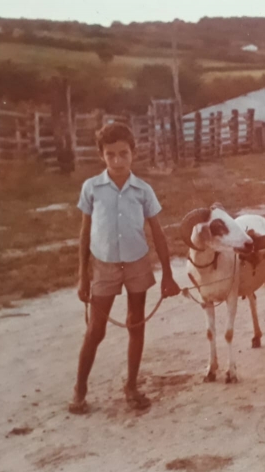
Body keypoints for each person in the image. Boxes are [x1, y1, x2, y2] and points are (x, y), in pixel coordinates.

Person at [69, 122, 181, 415]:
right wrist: (83, 276)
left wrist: (168, 274)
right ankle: (80, 389)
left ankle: (131, 386)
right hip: (103, 266)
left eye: (123, 154)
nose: (117, 161)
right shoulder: (92, 188)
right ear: (101, 156)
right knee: (96, 329)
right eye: (110, 155)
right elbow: (85, 233)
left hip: (136, 263)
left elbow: (157, 233)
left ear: (134, 153)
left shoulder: (142, 190)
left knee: (136, 323)